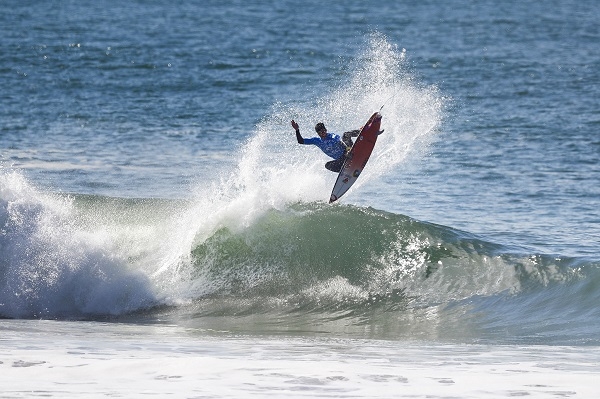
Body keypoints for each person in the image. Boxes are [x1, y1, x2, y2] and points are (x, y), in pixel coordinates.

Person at [291, 120, 360, 173]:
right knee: (328, 165)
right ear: (318, 134)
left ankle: (361, 132)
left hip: (348, 152)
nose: (323, 133)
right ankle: (345, 171)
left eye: (324, 131)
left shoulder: (332, 136)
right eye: (321, 132)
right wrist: (297, 130)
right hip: (341, 160)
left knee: (345, 135)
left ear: (326, 130)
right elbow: (301, 141)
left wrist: (348, 149)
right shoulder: (316, 141)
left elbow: (340, 140)